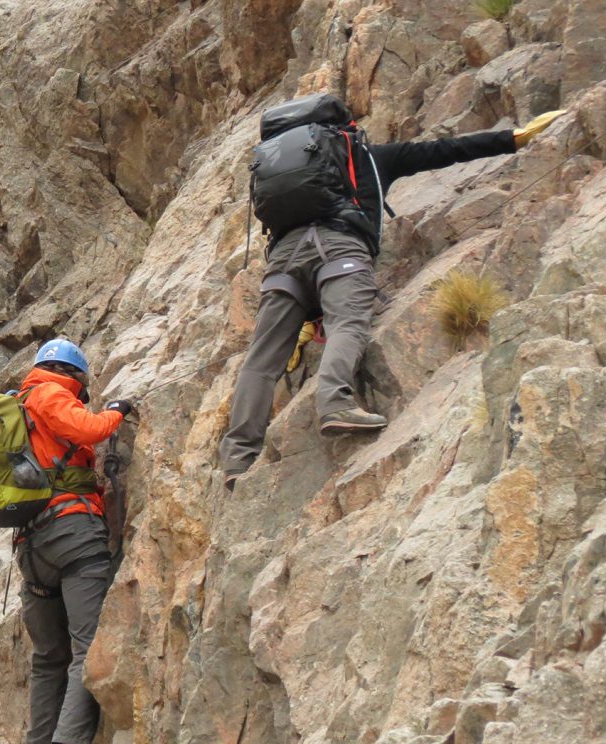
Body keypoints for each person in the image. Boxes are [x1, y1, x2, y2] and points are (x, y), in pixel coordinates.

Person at [218, 100, 566, 491]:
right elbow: (444, 151)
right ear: (342, 128)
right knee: (348, 321)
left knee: (261, 360)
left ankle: (238, 460)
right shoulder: (365, 155)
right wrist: (514, 139)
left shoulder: (277, 171)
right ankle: (335, 404)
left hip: (282, 263)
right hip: (340, 248)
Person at [15, 339, 133, 744]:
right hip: (73, 533)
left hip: (31, 545)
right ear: (76, 375)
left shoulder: (17, 404)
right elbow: (86, 430)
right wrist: (116, 412)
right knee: (85, 645)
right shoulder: (50, 391)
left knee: (48, 656)